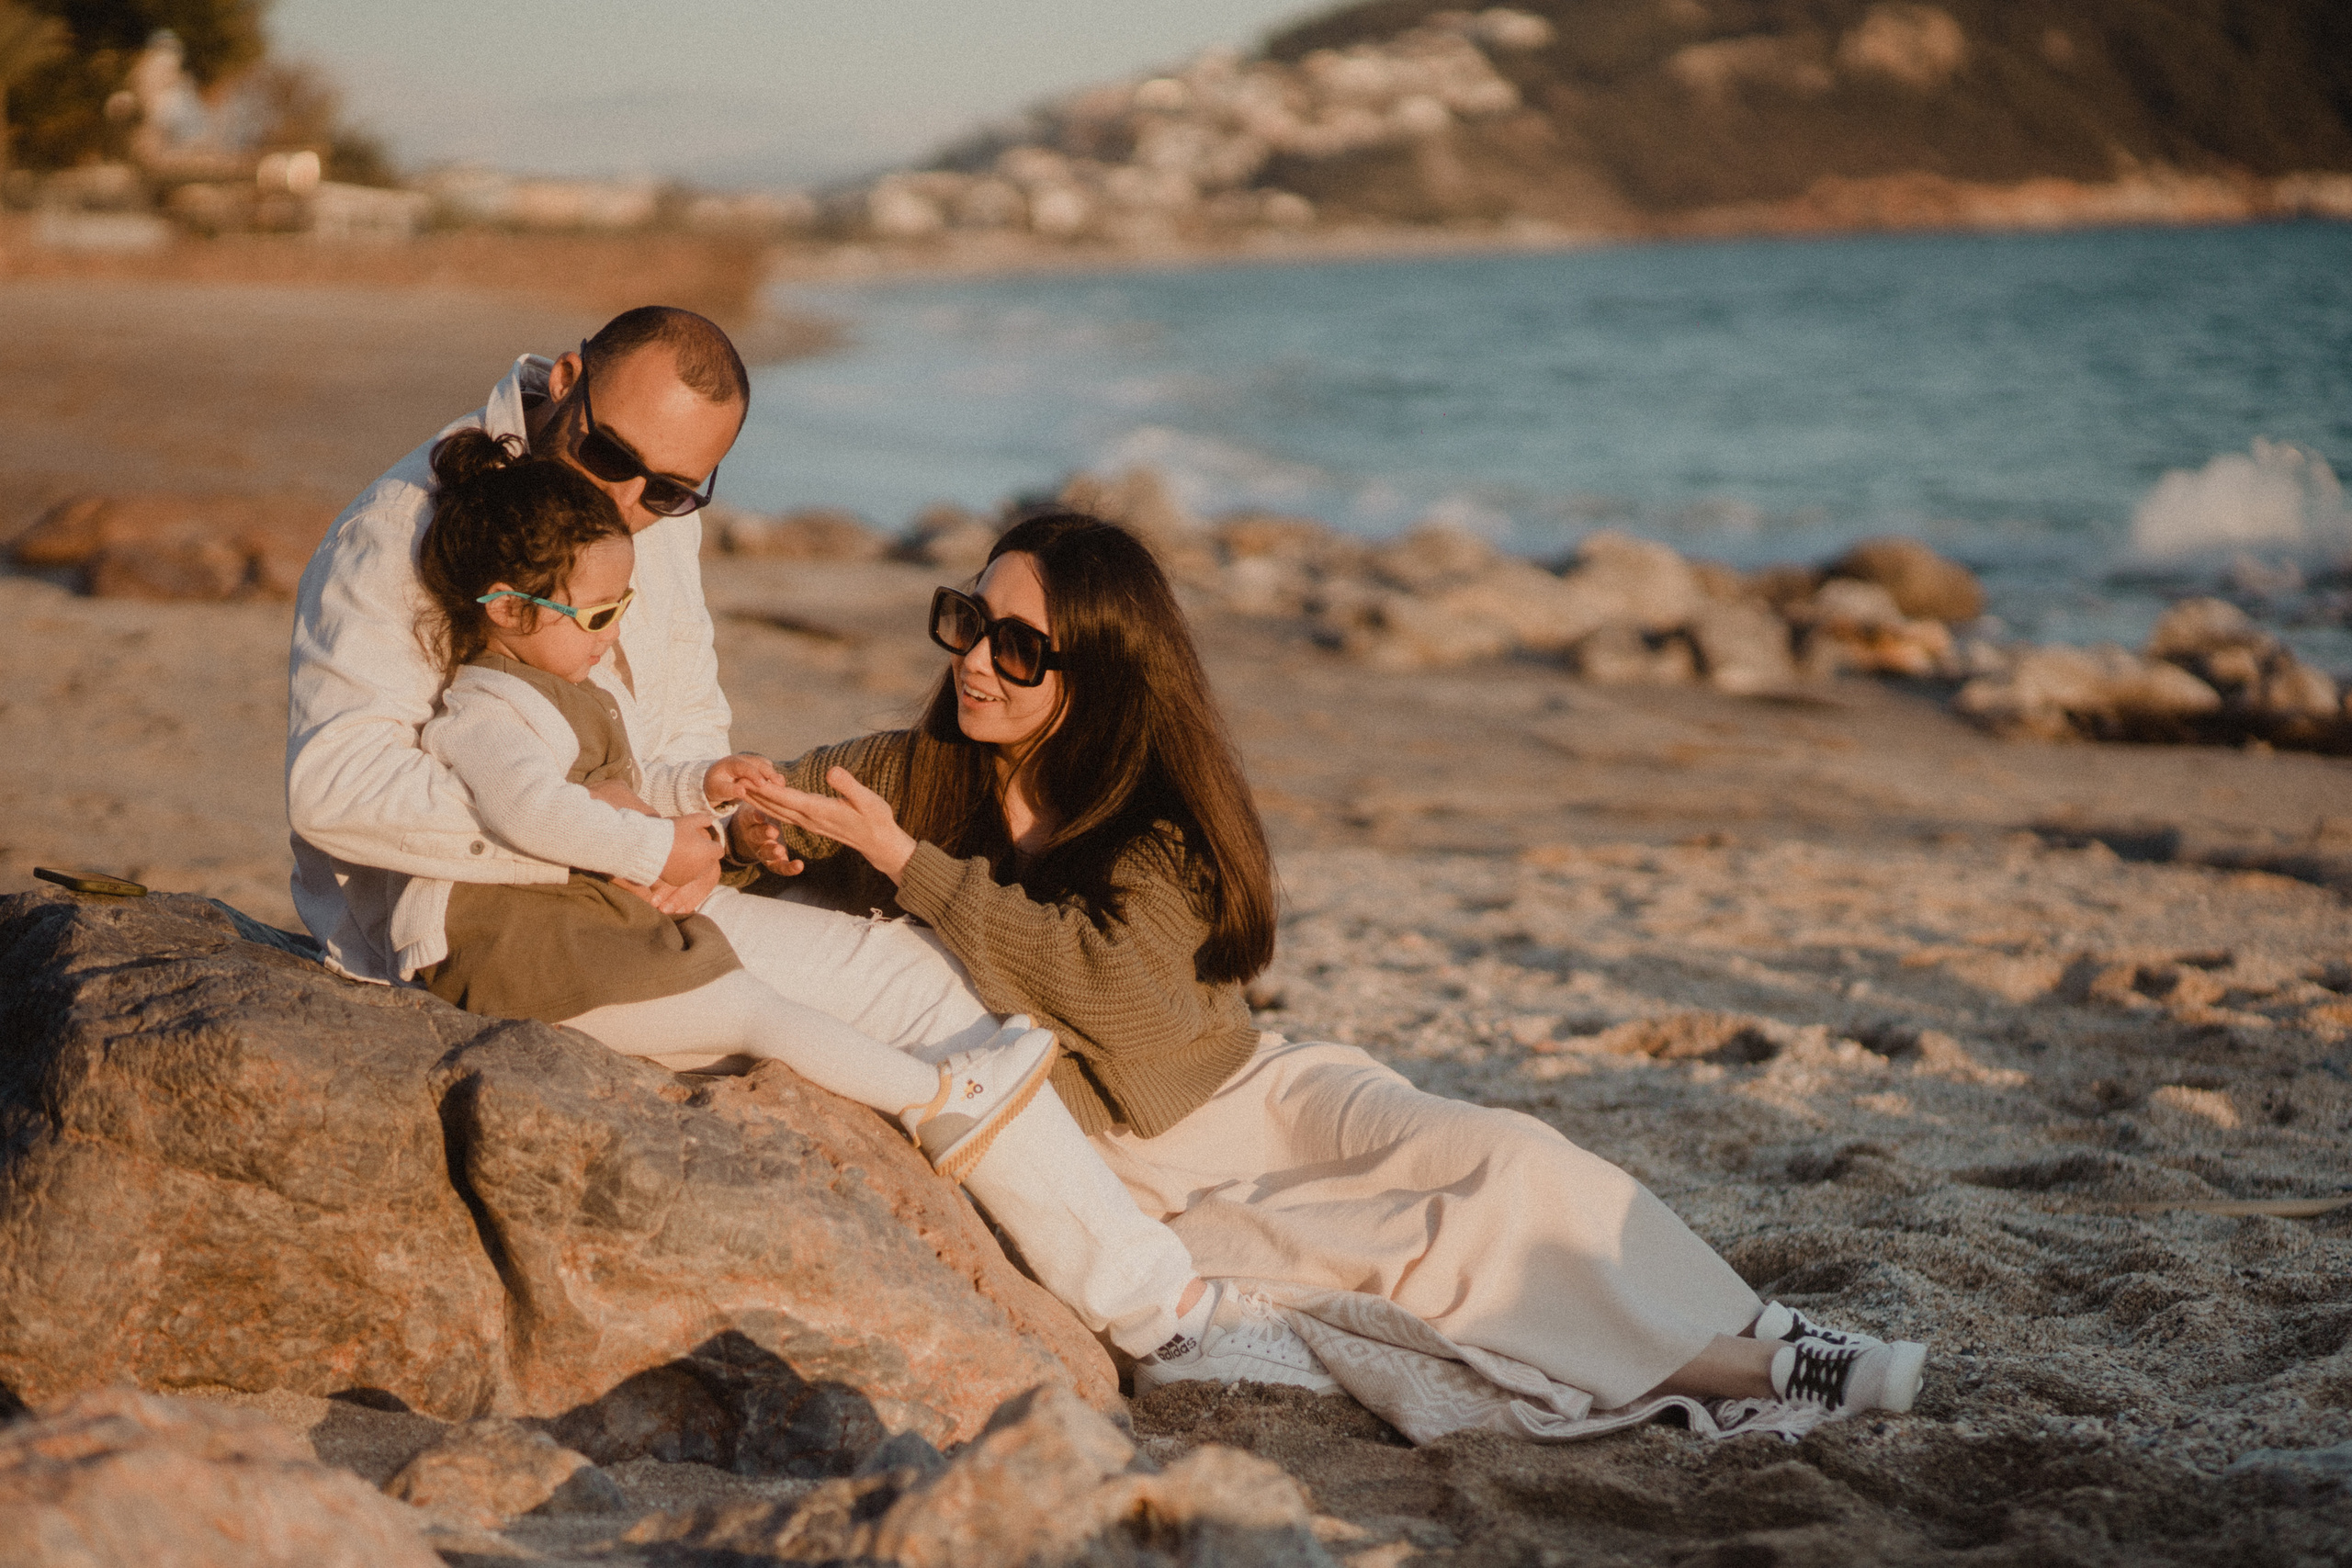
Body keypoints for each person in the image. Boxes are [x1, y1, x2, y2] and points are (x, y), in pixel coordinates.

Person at [284, 306, 1311, 1377]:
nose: (627, 505)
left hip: (623, 887)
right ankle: (1164, 1313)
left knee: (909, 969)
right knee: (918, 1000)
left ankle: (1106, 1248)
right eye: (608, 458)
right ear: (567, 381)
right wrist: (621, 844)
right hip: (474, 926)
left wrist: (724, 819)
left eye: (671, 490)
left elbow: (672, 735)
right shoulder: (407, 524)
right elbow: (336, 791)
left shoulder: (645, 522)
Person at [737, 512, 1930, 1421]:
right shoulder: (910, 772)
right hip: (1128, 1158)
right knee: (1422, 1255)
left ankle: (1757, 1320)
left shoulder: (1152, 817)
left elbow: (1126, 1003)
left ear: (1093, 668)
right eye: (968, 621)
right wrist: (754, 826)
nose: (977, 662)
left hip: (1254, 1083)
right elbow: (778, 810)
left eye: (1018, 644)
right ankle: (1766, 1366)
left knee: (1513, 1157)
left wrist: (914, 868)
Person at [394, 427, 1056, 1178]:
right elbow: (536, 810)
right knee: (753, 1011)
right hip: (530, 962)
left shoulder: (560, 689)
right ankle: (937, 1101)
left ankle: (939, 1094)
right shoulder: (487, 709)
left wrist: (701, 788)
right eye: (599, 617)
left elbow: (618, 787)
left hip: (581, 940)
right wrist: (658, 848)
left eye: (623, 610)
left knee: (750, 998)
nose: (610, 642)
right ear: (509, 611)